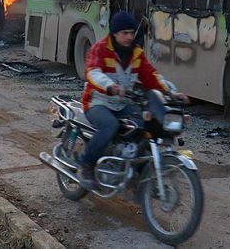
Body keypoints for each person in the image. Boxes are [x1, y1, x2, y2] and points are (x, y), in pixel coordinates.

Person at [77, 11, 188, 190]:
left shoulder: (136, 53)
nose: (129, 37)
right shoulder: (101, 48)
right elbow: (92, 72)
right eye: (125, 33)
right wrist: (111, 86)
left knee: (145, 125)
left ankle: (138, 171)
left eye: (132, 32)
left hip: (122, 104)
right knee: (109, 125)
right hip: (97, 102)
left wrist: (172, 93)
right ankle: (87, 167)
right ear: (114, 33)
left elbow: (152, 76)